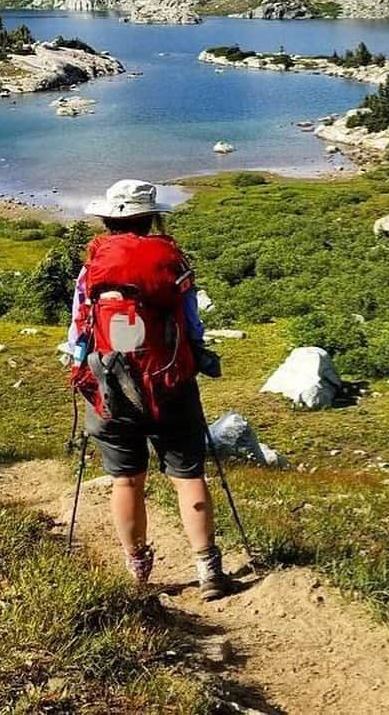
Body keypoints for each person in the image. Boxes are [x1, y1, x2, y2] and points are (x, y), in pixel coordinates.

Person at [66, 178, 230, 600]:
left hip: (110, 387)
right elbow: (192, 323)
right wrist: (197, 355)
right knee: (188, 476)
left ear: (108, 219)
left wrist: (79, 364)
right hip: (170, 381)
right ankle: (208, 567)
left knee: (127, 481)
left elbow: (80, 331)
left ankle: (137, 568)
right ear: (151, 217)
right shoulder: (171, 264)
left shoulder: (92, 270)